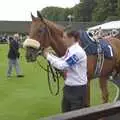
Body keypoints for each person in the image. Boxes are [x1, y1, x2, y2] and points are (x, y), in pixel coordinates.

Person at [43, 30, 88, 112]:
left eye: (64, 37)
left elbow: (62, 66)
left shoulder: (78, 52)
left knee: (75, 116)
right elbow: (61, 60)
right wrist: (50, 55)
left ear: (72, 38)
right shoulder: (70, 50)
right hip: (69, 87)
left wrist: (48, 56)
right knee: (65, 114)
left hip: (77, 89)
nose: (63, 40)